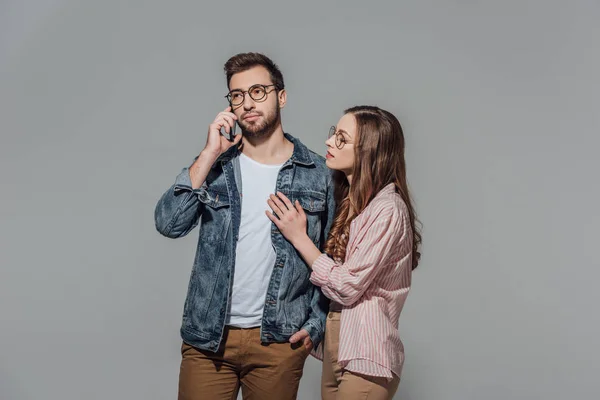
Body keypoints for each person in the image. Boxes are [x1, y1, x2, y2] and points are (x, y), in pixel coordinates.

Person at [154, 52, 334, 400]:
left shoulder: (318, 174)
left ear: (281, 96)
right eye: (237, 95)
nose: (247, 103)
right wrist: (208, 154)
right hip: (209, 339)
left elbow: (332, 255)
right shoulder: (216, 166)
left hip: (279, 342)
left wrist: (315, 324)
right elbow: (169, 223)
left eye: (257, 91)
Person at [266, 105, 422, 400]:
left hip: (366, 351)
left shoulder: (388, 208)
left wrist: (300, 238)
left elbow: (348, 286)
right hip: (337, 343)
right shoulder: (352, 204)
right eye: (333, 134)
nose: (329, 142)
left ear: (369, 151)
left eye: (341, 138)